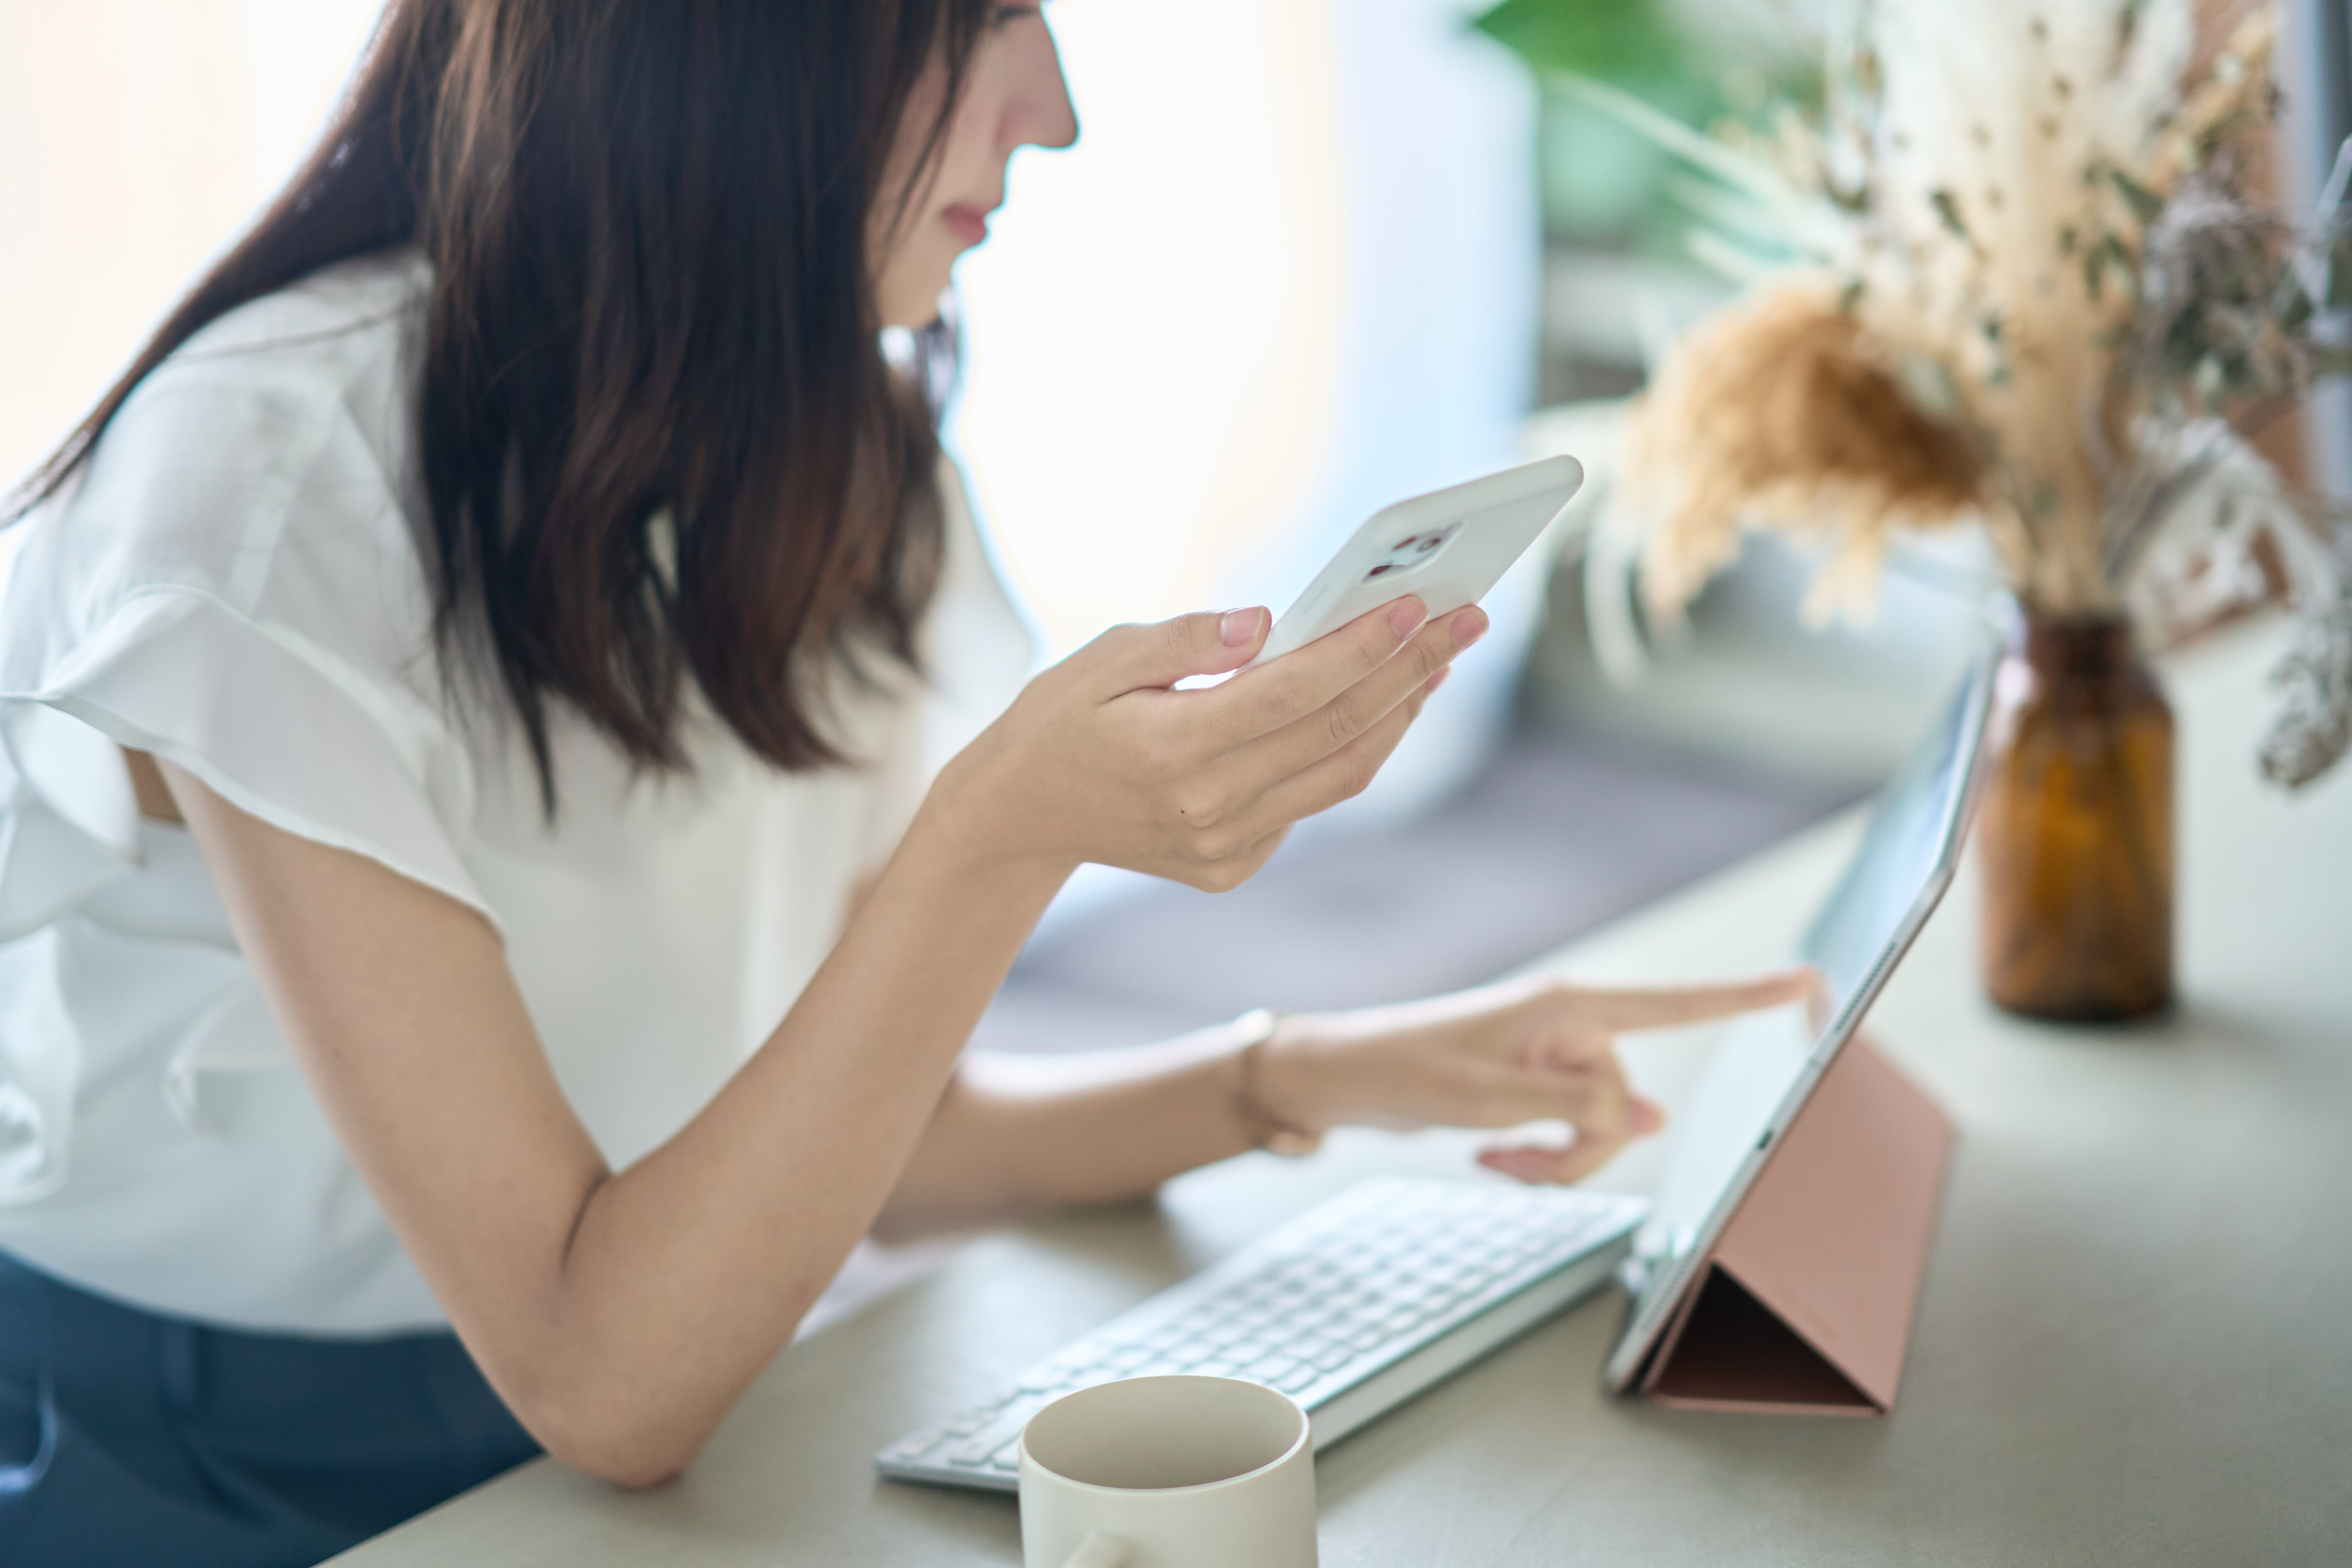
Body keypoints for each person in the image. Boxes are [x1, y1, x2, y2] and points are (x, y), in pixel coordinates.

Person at [0, 3, 1805, 1563]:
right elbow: (599, 1373)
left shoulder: (832, 448)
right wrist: (996, 836)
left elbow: (881, 1142)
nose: (1062, 107)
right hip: (206, 1465)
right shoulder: (258, 506)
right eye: (983, 12)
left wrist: (1299, 1075)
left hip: (676, 1377)